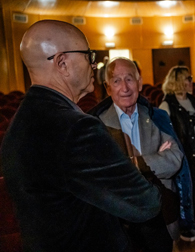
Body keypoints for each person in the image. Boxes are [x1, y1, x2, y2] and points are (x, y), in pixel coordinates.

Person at [0, 20, 161, 252]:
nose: (94, 65)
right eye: (88, 55)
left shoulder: (18, 124)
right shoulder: (76, 128)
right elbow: (146, 203)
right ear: (62, 63)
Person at [89, 57, 183, 252]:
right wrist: (153, 161)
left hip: (160, 215)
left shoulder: (157, 117)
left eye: (129, 79)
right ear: (108, 88)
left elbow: (174, 160)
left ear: (139, 83)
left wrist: (128, 164)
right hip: (120, 221)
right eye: (116, 81)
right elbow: (103, 176)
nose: (125, 87)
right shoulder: (96, 125)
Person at [159, 66, 195, 242]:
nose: (191, 81)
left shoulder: (194, 101)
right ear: (178, 81)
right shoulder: (167, 104)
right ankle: (187, 226)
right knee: (184, 190)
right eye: (187, 78)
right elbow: (163, 134)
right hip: (181, 154)